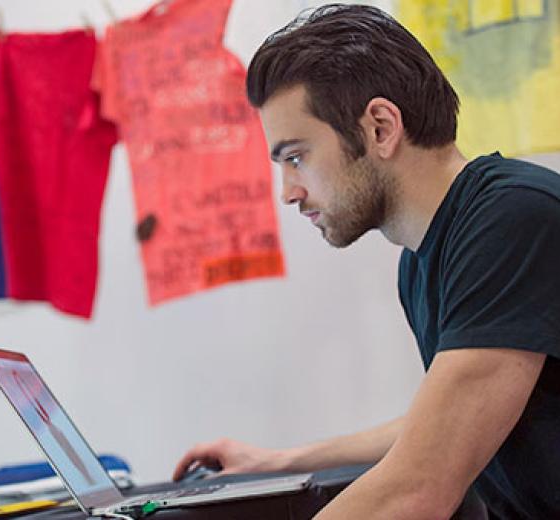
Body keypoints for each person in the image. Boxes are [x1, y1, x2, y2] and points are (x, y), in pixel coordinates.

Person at [172, 4, 560, 519]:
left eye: (296, 157)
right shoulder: (423, 260)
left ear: (380, 127)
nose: (289, 192)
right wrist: (281, 461)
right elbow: (448, 425)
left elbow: (418, 487)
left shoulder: (512, 219)